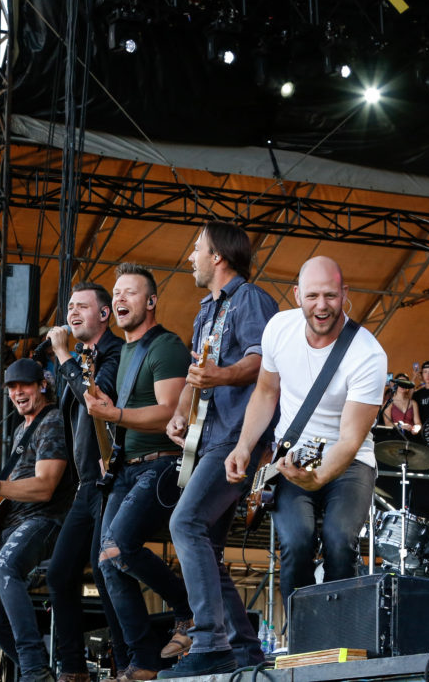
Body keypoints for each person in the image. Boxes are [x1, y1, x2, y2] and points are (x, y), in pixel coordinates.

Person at [226, 256, 387, 604]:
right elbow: (266, 392)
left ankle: (340, 635)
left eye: (330, 295)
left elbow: (350, 439)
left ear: (345, 294)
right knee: (297, 542)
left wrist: (318, 478)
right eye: (312, 296)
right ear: (296, 294)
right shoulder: (278, 329)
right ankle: (300, 637)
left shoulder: (367, 354)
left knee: (339, 540)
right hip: (288, 456)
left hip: (350, 461)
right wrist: (243, 446)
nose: (322, 306)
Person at [160, 222, 278, 678]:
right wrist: (180, 413)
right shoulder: (204, 312)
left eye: (196, 247)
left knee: (185, 522)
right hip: (208, 438)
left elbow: (261, 364)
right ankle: (246, 651)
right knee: (205, 541)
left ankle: (209, 640)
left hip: (236, 438)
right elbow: (198, 373)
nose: (190, 255)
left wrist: (219, 378)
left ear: (218, 257)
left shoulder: (251, 299)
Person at [83, 263, 192, 682]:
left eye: (130, 292)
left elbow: (169, 412)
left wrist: (117, 414)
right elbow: (114, 416)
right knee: (106, 563)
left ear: (150, 302)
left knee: (118, 548)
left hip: (161, 465)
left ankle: (187, 610)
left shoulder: (165, 347)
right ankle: (143, 660)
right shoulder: (123, 352)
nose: (121, 299)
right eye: (117, 293)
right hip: (126, 469)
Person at [0, 358, 74, 682]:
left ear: (42, 386)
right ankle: (37, 670)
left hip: (45, 520)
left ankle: (35, 670)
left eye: (24, 385)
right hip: (13, 525)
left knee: (4, 568)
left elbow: (45, 486)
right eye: (11, 388)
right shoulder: (23, 429)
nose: (17, 393)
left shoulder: (51, 421)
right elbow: (9, 488)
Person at [43, 282, 128, 682]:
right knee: (60, 573)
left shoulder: (114, 352)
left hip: (110, 480)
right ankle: (73, 669)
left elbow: (96, 398)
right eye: (70, 306)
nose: (72, 313)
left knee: (105, 569)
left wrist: (62, 356)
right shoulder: (81, 357)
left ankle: (129, 661)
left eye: (82, 306)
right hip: (85, 486)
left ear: (105, 314)